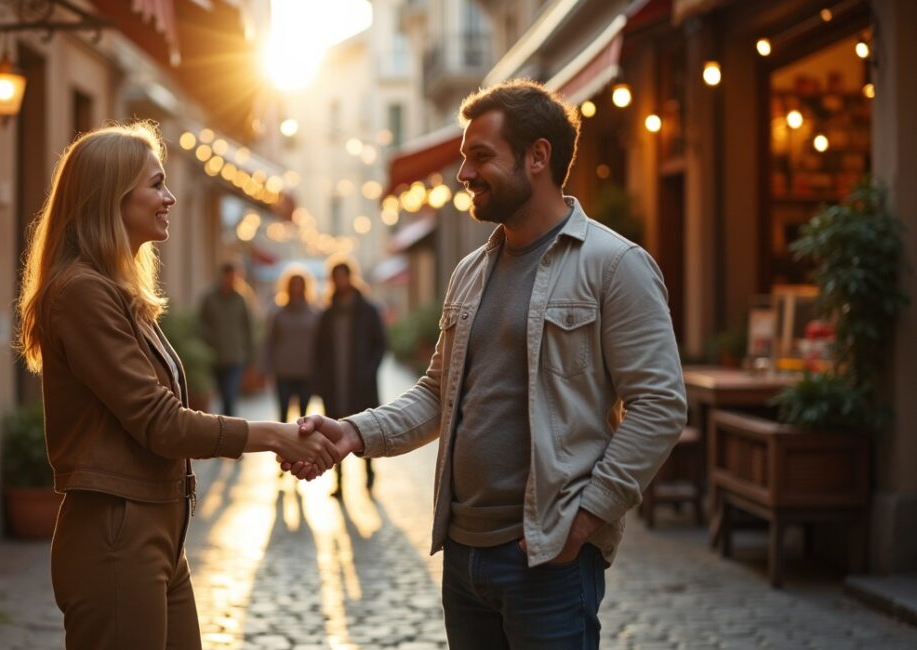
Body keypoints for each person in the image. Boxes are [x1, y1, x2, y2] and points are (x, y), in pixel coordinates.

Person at [291, 80, 688, 648]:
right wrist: (353, 432)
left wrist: (585, 520)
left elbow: (660, 404)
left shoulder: (614, 265)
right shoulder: (470, 272)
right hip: (463, 559)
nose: (464, 174)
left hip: (547, 561)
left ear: (538, 157)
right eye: (463, 158)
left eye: (480, 156)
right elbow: (436, 392)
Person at [15, 121, 340, 649]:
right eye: (155, 184)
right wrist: (274, 435)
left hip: (157, 530)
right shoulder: (81, 293)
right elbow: (161, 423)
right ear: (111, 196)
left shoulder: (113, 292)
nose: (169, 198)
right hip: (118, 534)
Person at [314, 258, 387, 496]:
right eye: (336, 276)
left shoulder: (368, 310)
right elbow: (319, 349)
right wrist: (320, 378)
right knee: (334, 432)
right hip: (335, 383)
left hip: (361, 382)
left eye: (343, 275)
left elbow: (381, 345)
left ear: (350, 277)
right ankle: (339, 481)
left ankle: (369, 472)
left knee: (365, 428)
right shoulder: (327, 313)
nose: (340, 280)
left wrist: (369, 370)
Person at [264, 265, 320, 423]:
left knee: (304, 417)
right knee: (283, 414)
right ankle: (282, 446)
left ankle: (301, 447)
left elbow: (321, 345)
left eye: (299, 284)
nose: (296, 288)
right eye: (293, 284)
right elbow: (269, 340)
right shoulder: (277, 313)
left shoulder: (315, 313)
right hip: (283, 372)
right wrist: (265, 367)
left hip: (307, 372)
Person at [197, 262, 254, 416]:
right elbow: (201, 323)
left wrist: (249, 356)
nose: (229, 279)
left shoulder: (240, 300)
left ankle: (229, 427)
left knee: (230, 396)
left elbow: (247, 328)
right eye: (226, 276)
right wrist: (207, 341)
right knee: (221, 395)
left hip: (235, 357)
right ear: (221, 276)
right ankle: (225, 426)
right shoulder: (209, 298)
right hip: (215, 356)